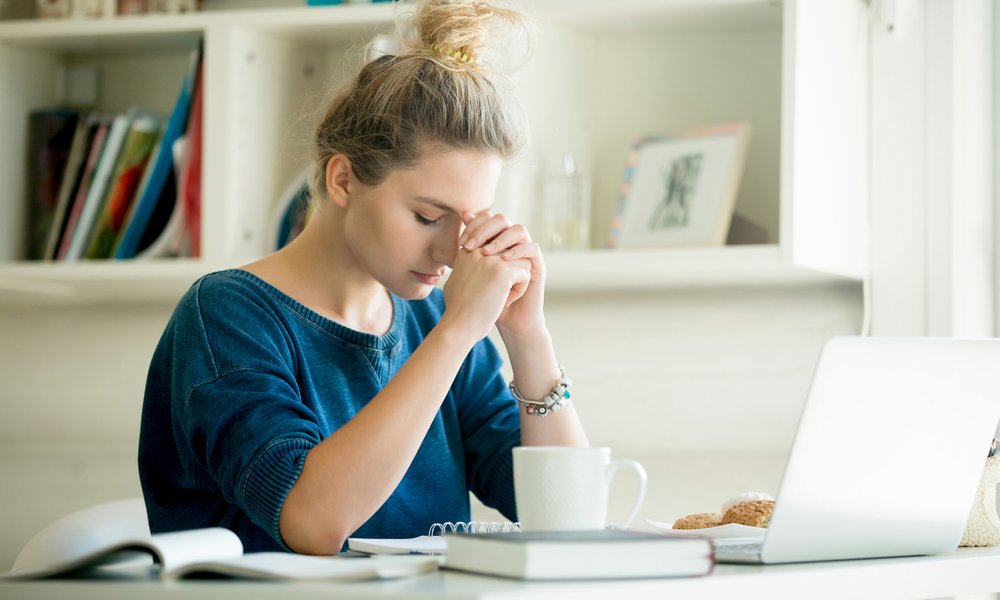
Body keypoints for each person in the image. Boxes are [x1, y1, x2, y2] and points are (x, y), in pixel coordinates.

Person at [138, 0, 588, 556]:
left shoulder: (432, 318)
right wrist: (457, 332)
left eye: (468, 220)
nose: (451, 249)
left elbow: (565, 517)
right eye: (427, 216)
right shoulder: (226, 315)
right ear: (344, 179)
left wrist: (528, 337)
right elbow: (312, 522)